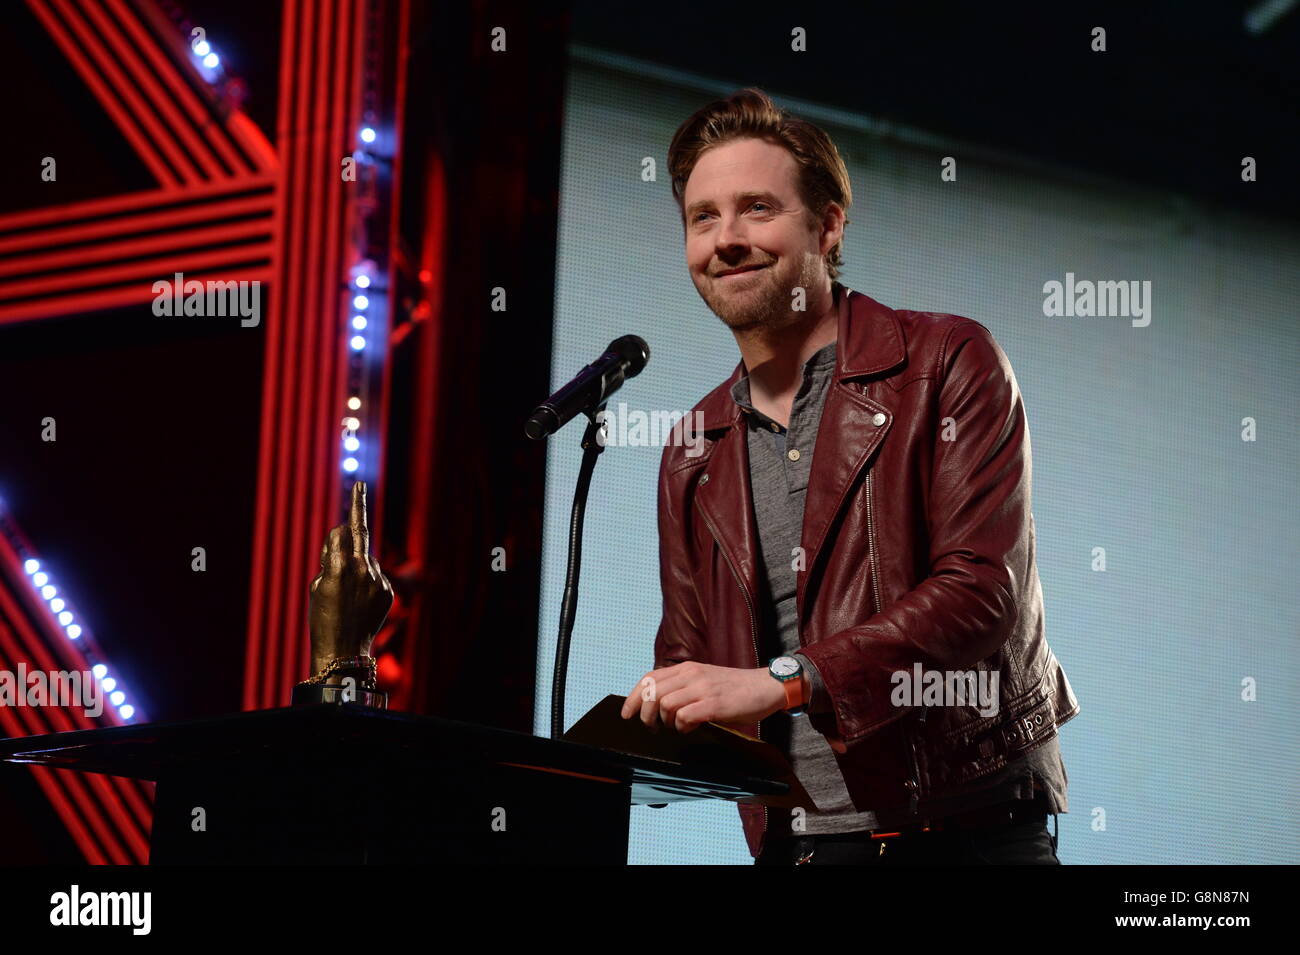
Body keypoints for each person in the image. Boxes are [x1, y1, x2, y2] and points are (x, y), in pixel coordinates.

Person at [620, 88, 1080, 865]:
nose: (725, 240)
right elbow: (691, 654)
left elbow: (979, 591)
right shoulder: (694, 446)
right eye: (703, 217)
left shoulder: (944, 364)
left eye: (756, 208)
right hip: (799, 851)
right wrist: (667, 715)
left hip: (965, 835)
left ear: (828, 224)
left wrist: (785, 679)